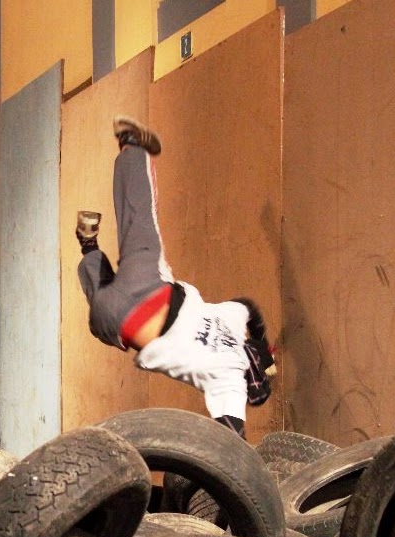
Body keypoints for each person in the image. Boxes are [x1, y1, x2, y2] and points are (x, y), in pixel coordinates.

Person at [76, 116, 275, 439]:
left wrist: (263, 345)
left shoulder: (231, 319)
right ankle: (88, 246)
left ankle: (130, 143)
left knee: (139, 215)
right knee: (100, 299)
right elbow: (231, 437)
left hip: (150, 287)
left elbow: (248, 307)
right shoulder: (230, 380)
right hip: (120, 325)